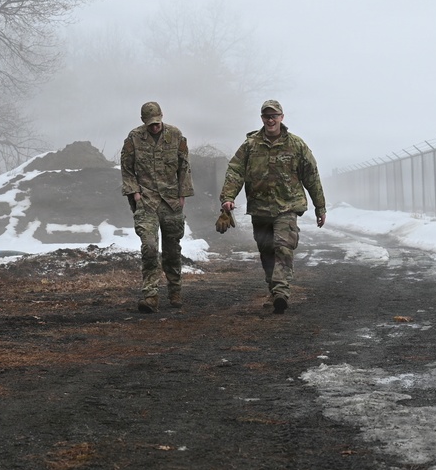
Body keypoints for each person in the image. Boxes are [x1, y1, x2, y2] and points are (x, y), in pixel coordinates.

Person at [219, 99, 326, 314]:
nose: (270, 120)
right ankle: (274, 290)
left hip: (287, 206)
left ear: (281, 118)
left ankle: (281, 292)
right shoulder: (250, 145)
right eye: (267, 116)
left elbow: (311, 176)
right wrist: (228, 197)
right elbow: (235, 171)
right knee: (266, 251)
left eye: (274, 116)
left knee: (283, 246)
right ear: (262, 119)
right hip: (260, 208)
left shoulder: (296, 145)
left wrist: (320, 206)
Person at [120, 101, 194, 313]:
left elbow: (184, 166)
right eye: (150, 124)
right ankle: (150, 295)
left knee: (172, 250)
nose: (154, 127)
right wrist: (135, 193)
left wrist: (183, 194)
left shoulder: (175, 135)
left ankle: (175, 290)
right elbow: (126, 168)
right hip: (146, 200)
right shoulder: (134, 138)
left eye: (157, 123)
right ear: (143, 121)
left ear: (162, 117)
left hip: (171, 201)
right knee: (150, 247)